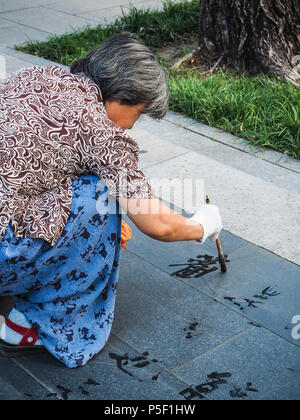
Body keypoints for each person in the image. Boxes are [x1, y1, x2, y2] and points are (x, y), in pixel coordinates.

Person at [0, 33, 222, 368]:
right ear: (127, 98)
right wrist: (203, 225)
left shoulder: (36, 75)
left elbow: (41, 167)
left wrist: (84, 230)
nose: (133, 126)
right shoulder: (101, 133)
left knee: (97, 204)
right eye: (140, 114)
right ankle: (30, 326)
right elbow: (157, 224)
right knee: (101, 197)